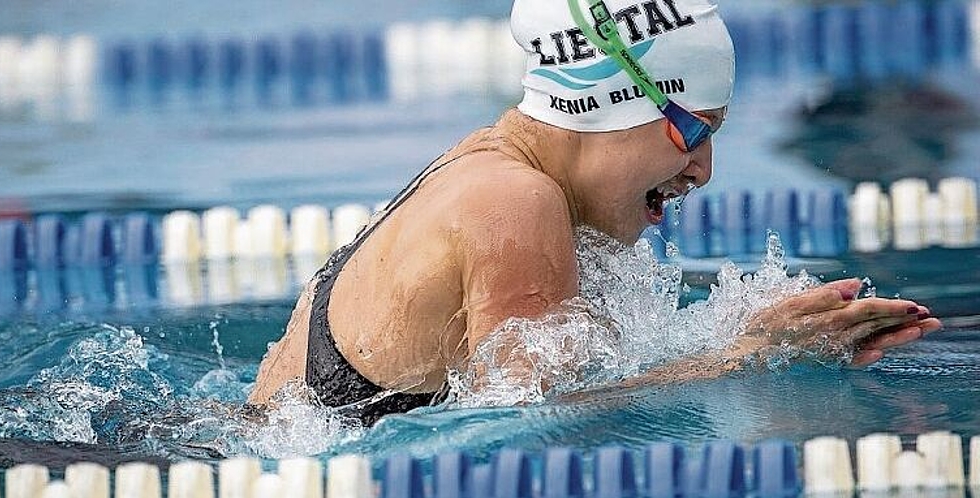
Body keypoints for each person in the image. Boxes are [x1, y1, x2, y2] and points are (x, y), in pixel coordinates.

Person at [248, 0, 941, 425]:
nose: (703, 170)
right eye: (693, 132)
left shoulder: (484, 166)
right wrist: (749, 356)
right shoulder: (515, 201)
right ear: (613, 102)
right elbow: (524, 424)